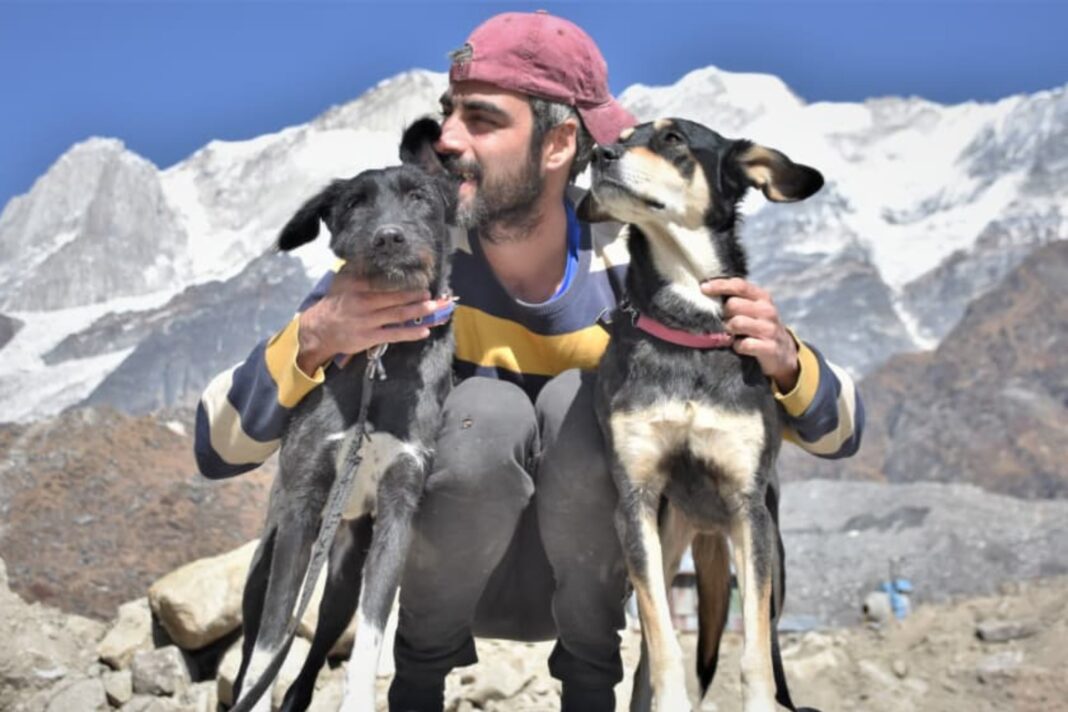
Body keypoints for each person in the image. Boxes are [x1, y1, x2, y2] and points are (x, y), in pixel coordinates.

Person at [194, 11, 864, 712]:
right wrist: (313, 338)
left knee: (580, 400)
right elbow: (217, 446)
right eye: (448, 114)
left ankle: (590, 694)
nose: (447, 140)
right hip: (434, 583)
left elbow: (840, 430)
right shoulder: (408, 260)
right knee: (489, 412)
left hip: (593, 588)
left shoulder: (632, 259)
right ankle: (414, 690)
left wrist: (787, 364)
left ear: (559, 143)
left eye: (481, 120)